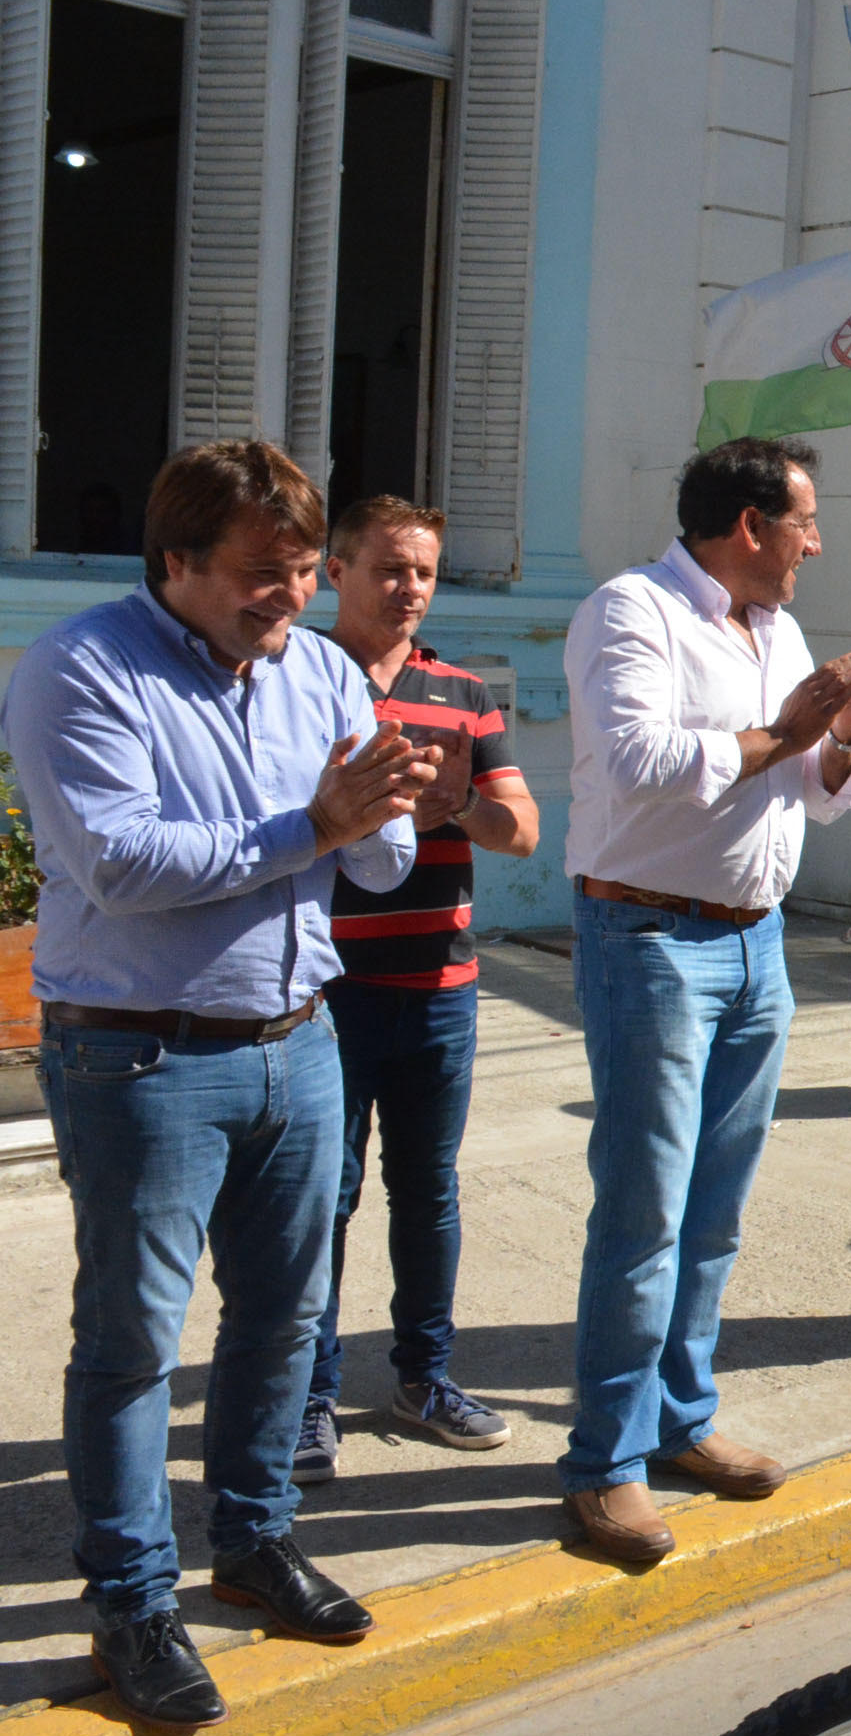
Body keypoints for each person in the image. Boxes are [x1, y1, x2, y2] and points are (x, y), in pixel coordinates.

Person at [3, 441, 434, 1726]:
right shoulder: (80, 666)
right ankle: (134, 1596)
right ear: (176, 559)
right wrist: (318, 823)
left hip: (299, 1040)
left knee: (284, 1320)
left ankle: (251, 1541)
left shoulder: (318, 670)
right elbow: (123, 860)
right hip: (137, 1051)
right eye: (259, 574)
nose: (288, 599)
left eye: (305, 571)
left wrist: (385, 803)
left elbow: (384, 859)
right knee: (133, 1343)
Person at [558, 437, 851, 1563]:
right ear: (750, 524)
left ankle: (680, 1419)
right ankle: (605, 1461)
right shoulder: (631, 610)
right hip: (650, 938)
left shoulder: (783, 631)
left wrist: (843, 734)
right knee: (646, 1209)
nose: (820, 540)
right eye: (805, 519)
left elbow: (817, 788)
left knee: (713, 1212)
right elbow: (638, 759)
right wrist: (787, 733)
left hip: (758, 945)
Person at [297, 498, 543, 1485]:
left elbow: (520, 830)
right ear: (336, 570)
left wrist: (462, 804)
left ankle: (423, 1377)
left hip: (441, 986)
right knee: (323, 1199)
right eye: (390, 568)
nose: (409, 589)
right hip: (324, 992)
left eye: (425, 573)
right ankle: (308, 1396)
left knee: (427, 1194)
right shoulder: (292, 680)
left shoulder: (463, 691)